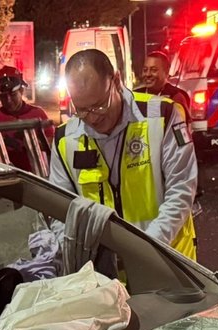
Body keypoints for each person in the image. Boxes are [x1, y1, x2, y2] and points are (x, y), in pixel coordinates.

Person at [48, 48, 198, 259]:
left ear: (116, 81)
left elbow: (181, 190)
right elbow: (60, 209)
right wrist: (76, 254)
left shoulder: (162, 117)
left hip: (168, 261)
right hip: (102, 276)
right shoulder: (66, 138)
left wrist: (143, 251)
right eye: (81, 109)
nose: (92, 118)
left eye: (99, 106)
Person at [0, 66, 54, 174]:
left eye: (13, 95)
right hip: (5, 176)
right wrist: (3, 142)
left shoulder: (38, 114)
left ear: (21, 91)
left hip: (36, 176)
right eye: (3, 97)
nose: (9, 100)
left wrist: (28, 141)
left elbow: (51, 143)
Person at [137, 50, 193, 118]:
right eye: (145, 70)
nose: (148, 74)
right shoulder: (134, 96)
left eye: (154, 70)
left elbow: (181, 127)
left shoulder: (176, 97)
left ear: (166, 72)